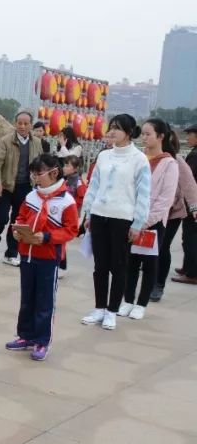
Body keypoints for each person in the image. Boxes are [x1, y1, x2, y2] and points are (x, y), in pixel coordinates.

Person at [79, 114, 151, 331]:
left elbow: (144, 193)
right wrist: (88, 214)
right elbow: (94, 185)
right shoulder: (104, 156)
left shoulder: (139, 159)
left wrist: (138, 223)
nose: (112, 132)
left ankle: (112, 311)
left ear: (129, 132)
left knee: (118, 267)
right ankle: (99, 308)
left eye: (117, 128)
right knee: (99, 266)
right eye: (111, 127)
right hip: (100, 214)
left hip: (123, 218)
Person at [6, 154, 78, 361]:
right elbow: (20, 216)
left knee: (45, 300)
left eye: (39, 174)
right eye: (33, 174)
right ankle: (25, 335)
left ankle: (42, 340)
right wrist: (17, 230)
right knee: (27, 298)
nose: (35, 178)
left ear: (54, 173)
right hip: (27, 254)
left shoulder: (66, 201)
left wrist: (47, 237)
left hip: (48, 257)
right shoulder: (31, 196)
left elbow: (70, 230)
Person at [116, 119, 179, 320]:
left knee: (149, 263)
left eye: (148, 134)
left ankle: (141, 303)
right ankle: (127, 300)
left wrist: (144, 221)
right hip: (131, 219)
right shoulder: (139, 159)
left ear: (161, 136)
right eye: (142, 134)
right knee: (130, 262)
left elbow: (165, 200)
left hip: (154, 223)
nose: (144, 138)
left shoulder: (169, 163)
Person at [0, 112, 45, 265]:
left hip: (26, 187)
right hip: (6, 186)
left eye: (25, 123)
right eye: (19, 123)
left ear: (31, 126)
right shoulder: (6, 141)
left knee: (17, 222)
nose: (22, 126)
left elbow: (40, 164)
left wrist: (39, 181)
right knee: (2, 218)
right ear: (15, 123)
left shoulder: (37, 143)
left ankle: (11, 253)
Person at [154, 131, 197, 300]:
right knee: (147, 249)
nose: (144, 138)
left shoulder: (176, 162)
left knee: (162, 247)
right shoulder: (143, 159)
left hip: (172, 213)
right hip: (149, 211)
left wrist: (194, 209)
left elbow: (190, 186)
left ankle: (158, 285)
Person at [172, 124, 197, 286]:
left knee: (190, 239)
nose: (187, 137)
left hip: (192, 204)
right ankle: (187, 267)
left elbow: (190, 181)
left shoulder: (195, 156)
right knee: (187, 238)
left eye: (190, 134)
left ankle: (193, 273)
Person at [58, 156, 87, 277]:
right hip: (61, 213)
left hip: (69, 215)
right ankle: (60, 265)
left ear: (75, 168)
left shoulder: (78, 181)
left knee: (61, 241)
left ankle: (62, 267)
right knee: (59, 240)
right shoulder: (64, 179)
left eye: (68, 166)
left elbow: (82, 196)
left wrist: (73, 208)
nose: (64, 168)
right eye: (64, 165)